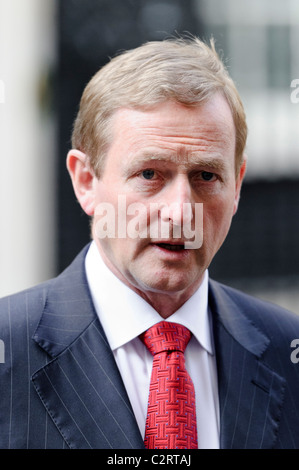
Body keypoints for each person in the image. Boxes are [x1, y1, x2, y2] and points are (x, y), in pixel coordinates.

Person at [1, 37, 299, 450]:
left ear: (237, 186)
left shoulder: (288, 351)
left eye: (206, 176)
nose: (180, 212)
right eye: (149, 174)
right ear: (86, 181)